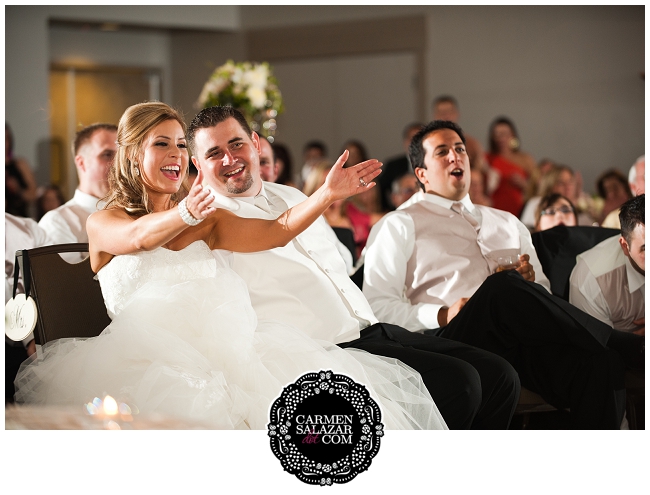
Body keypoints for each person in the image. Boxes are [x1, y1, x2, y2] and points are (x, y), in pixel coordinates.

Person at [14, 101, 445, 431]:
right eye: (160, 144)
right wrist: (186, 214)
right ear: (131, 155)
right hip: (147, 365)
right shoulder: (105, 220)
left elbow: (275, 229)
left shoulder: (205, 218)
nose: (176, 154)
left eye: (181, 145)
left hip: (236, 353)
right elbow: (139, 238)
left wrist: (325, 196)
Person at [188, 105, 521, 430]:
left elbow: (338, 265)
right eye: (214, 153)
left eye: (236, 145)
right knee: (461, 384)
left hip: (368, 326)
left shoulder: (289, 195)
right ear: (197, 164)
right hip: (327, 349)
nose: (230, 159)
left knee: (500, 375)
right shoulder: (210, 223)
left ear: (256, 144)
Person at [363, 120, 634, 429]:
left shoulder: (507, 221)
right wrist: (441, 314)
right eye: (442, 152)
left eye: (460, 149)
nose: (455, 156)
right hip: (449, 343)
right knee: (502, 286)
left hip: (519, 342)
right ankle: (623, 344)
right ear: (421, 173)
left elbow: (543, 293)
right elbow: (377, 308)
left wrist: (531, 283)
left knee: (600, 364)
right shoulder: (399, 224)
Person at [38, 123, 117, 262]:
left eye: (122, 155)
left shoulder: (140, 211)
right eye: (107, 154)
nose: (118, 163)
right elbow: (70, 282)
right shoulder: (59, 222)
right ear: (81, 163)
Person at [570, 195, 645, 334]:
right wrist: (637, 341)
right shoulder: (591, 281)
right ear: (625, 246)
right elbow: (598, 351)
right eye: (645, 248)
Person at [486, 117, 536, 216]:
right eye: (496, 134)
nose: (500, 138)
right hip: (494, 208)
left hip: (518, 208)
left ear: (512, 135)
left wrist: (524, 184)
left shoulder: (525, 159)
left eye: (504, 134)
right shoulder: (487, 159)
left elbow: (539, 186)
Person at [377, 122, 423, 212]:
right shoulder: (393, 166)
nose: (416, 143)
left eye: (419, 139)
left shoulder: (435, 165)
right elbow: (380, 191)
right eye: (412, 139)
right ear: (405, 142)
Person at [601, 156, 644, 229]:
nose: (611, 194)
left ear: (626, 188)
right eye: (607, 191)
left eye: (615, 188)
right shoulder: (611, 220)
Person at [5, 123, 38, 218]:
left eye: (6, 139)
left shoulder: (20, 164)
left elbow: (34, 194)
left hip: (18, 218)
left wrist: (18, 189)